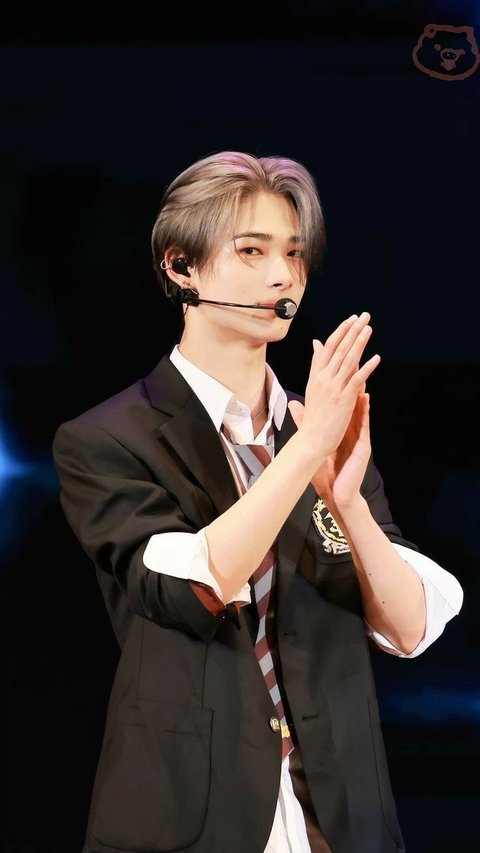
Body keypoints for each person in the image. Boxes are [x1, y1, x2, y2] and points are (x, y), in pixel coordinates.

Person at [52, 150, 463, 853]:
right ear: (181, 267)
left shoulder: (319, 426)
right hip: (188, 813)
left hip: (341, 817)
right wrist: (304, 453)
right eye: (252, 250)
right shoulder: (106, 438)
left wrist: (349, 503)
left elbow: (410, 628)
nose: (283, 276)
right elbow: (188, 586)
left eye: (294, 254)